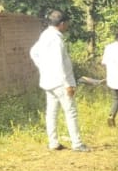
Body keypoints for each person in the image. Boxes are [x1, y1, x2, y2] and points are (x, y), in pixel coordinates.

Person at [29, 10, 89, 152]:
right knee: (70, 112)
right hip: (60, 82)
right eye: (66, 24)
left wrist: (42, 68)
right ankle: (77, 144)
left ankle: (53, 142)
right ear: (62, 24)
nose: (67, 26)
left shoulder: (45, 35)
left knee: (52, 112)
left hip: (48, 80)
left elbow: (33, 52)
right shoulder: (56, 39)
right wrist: (67, 84)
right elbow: (58, 63)